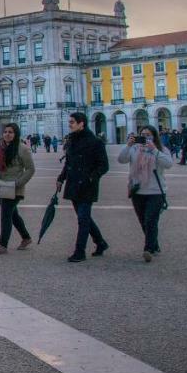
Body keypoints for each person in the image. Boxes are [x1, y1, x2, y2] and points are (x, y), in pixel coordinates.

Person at [58, 112, 110, 263]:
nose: (70, 124)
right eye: (70, 122)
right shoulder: (72, 141)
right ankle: (100, 242)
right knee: (84, 218)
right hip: (74, 184)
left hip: (87, 185)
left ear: (82, 123)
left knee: (82, 219)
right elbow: (69, 164)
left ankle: (79, 251)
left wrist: (92, 177)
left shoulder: (96, 142)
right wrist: (61, 178)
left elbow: (104, 166)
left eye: (72, 122)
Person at [118, 125, 173, 262]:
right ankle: (154, 244)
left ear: (154, 136)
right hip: (138, 191)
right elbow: (121, 159)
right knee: (143, 221)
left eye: (149, 135)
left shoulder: (161, 150)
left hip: (156, 192)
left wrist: (154, 150)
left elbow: (168, 164)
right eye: (143, 134)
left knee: (150, 220)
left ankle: (148, 249)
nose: (146, 137)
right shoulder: (134, 149)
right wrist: (128, 145)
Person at [0, 123, 35, 254]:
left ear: (15, 134)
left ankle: (3, 244)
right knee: (13, 214)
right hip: (0, 186)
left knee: (6, 214)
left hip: (14, 187)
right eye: (5, 132)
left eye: (10, 132)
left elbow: (30, 169)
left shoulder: (22, 149)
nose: (7, 134)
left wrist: (19, 182)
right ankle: (26, 237)